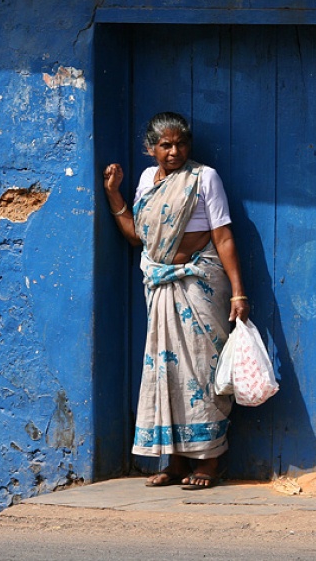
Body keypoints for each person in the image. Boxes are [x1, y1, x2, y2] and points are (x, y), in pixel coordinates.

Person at [103, 112, 250, 490]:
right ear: (150, 148)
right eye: (165, 145)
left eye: (181, 143)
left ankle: (210, 461)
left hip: (198, 283)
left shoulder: (204, 178)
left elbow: (224, 236)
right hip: (160, 285)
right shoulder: (145, 181)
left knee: (201, 370)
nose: (174, 151)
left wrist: (238, 291)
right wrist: (114, 193)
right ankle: (176, 460)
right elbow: (138, 237)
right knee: (166, 372)